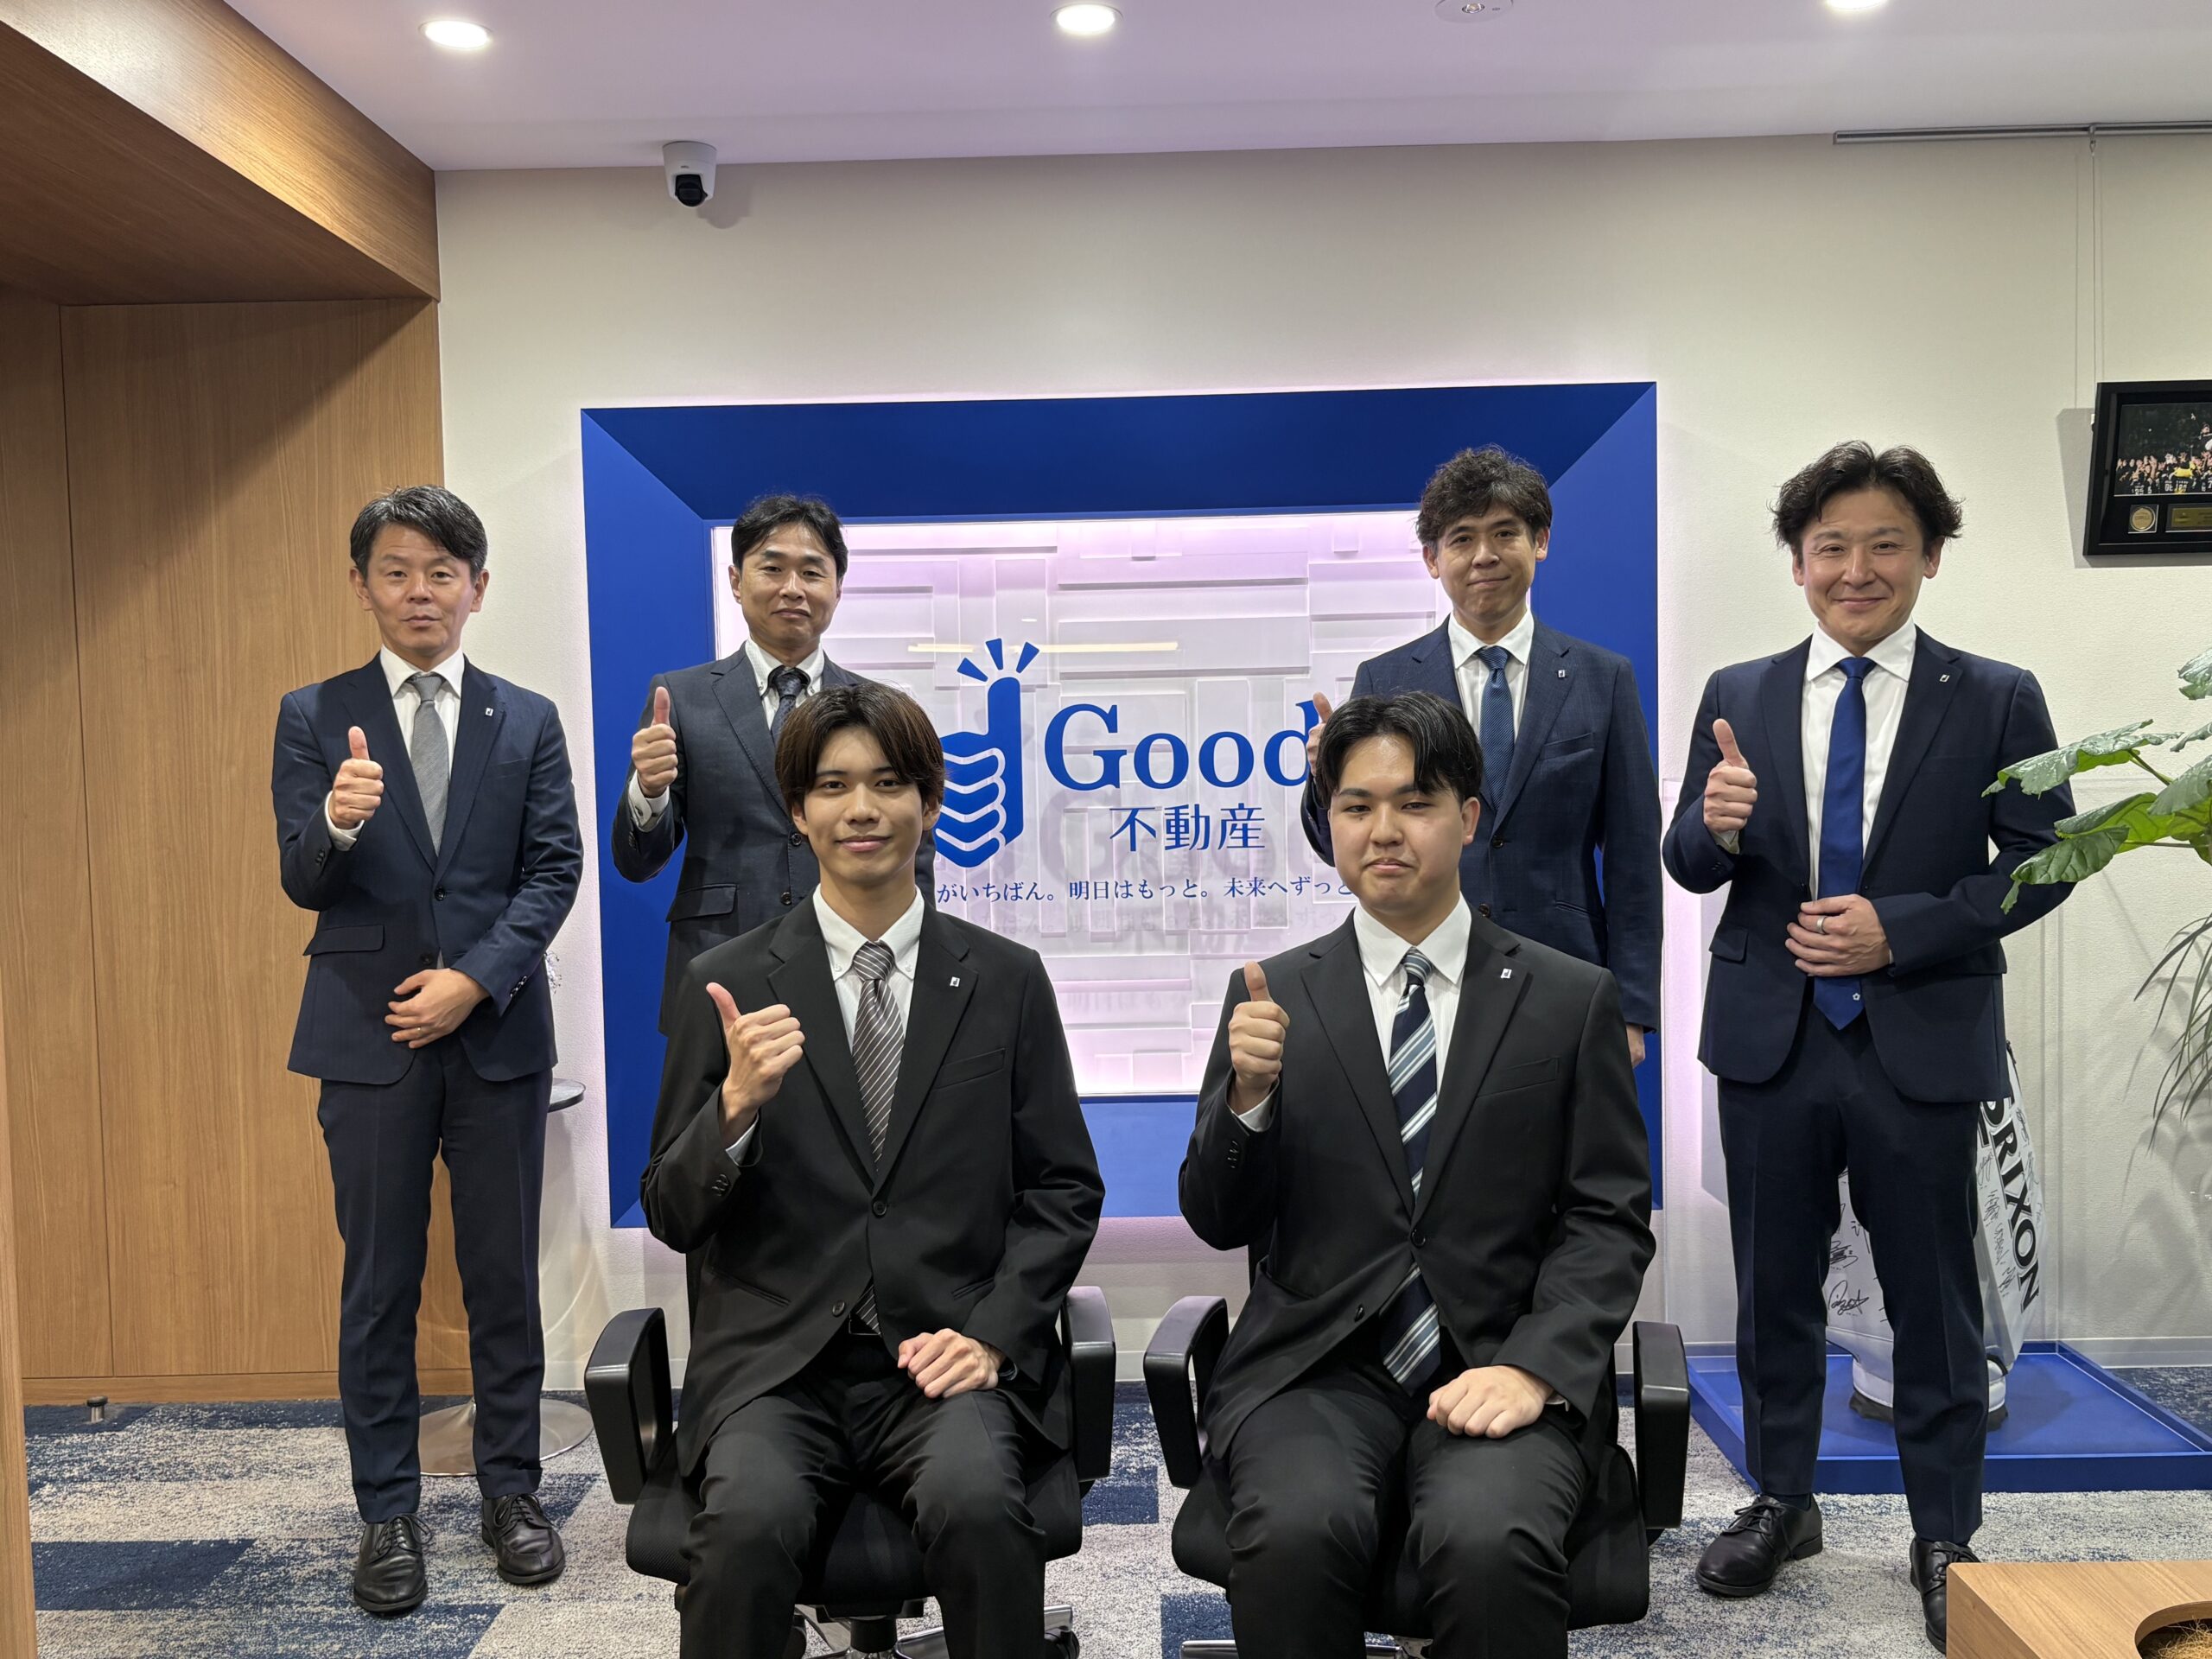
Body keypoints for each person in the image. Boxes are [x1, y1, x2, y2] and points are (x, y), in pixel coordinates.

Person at [1664, 442, 2074, 1651]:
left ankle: (1944, 1532)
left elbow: (2048, 859)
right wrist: (1712, 828)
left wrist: (1906, 929)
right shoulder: (1738, 691)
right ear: (1798, 565)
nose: (1857, 568)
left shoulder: (1996, 695)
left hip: (1920, 1031)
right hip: (1773, 1038)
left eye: (1885, 543)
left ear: (1930, 556)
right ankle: (1781, 1501)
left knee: (1932, 1301)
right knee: (1773, 1290)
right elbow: (1686, 862)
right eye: (1830, 546)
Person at [1185, 690, 1653, 1659]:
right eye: (1356, 806)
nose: (1384, 831)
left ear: (1468, 818)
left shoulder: (1569, 999)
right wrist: (1248, 1101)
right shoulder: (1271, 995)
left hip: (1499, 1356)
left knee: (1488, 1544)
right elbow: (1219, 1219)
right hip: (1314, 1369)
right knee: (1296, 1534)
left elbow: (1607, 1218)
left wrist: (1536, 1366)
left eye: (1415, 803)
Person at [643, 682, 1103, 1659]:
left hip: (944, 1355)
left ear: (929, 804)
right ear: (797, 811)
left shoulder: (1005, 978)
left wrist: (993, 1337)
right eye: (833, 786)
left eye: (890, 784)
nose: (862, 809)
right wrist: (734, 1109)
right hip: (776, 1369)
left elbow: (1063, 1189)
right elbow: (672, 1212)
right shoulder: (725, 983)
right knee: (741, 1534)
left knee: (983, 1512)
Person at [271, 486, 582, 1617]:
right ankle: (387, 1513)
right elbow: (302, 876)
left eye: (442, 573)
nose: (420, 592)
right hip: (368, 1037)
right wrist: (338, 820)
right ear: (362, 585)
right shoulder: (315, 715)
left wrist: (474, 979)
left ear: (477, 589)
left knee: (503, 1278)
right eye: (397, 571)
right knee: (379, 1283)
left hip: (494, 1033)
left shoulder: (527, 718)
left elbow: (554, 869)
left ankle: (513, 1494)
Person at [1300, 446, 1662, 1065]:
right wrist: (1322, 781)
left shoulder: (1603, 678)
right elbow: (1337, 841)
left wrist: (1631, 1010)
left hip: (1566, 975)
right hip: (1423, 971)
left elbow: (1633, 857)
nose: (1484, 555)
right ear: (1432, 559)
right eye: (1462, 538)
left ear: (1540, 542)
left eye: (1505, 533)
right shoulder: (1385, 679)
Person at [612, 493, 932, 1033]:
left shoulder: (877, 708)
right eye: (773, 568)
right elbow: (637, 863)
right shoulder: (681, 697)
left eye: (812, 571)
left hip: (854, 960)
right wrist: (649, 791)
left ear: (838, 587)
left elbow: (913, 850)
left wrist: (918, 956)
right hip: (721, 957)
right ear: (737, 581)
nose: (793, 588)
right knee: (724, 1092)